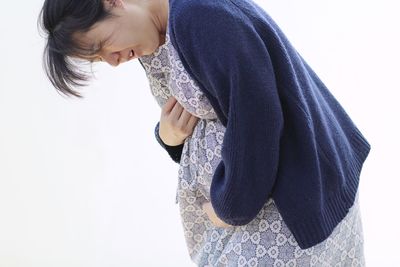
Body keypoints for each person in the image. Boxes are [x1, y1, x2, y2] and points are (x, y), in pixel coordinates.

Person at [38, 0, 371, 265]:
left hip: (285, 198)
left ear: (113, 1)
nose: (111, 62)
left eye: (102, 45)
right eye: (97, 59)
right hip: (257, 200)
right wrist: (168, 138)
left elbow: (257, 116)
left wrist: (229, 207)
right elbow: (209, 115)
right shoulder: (159, 34)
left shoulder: (199, 17)